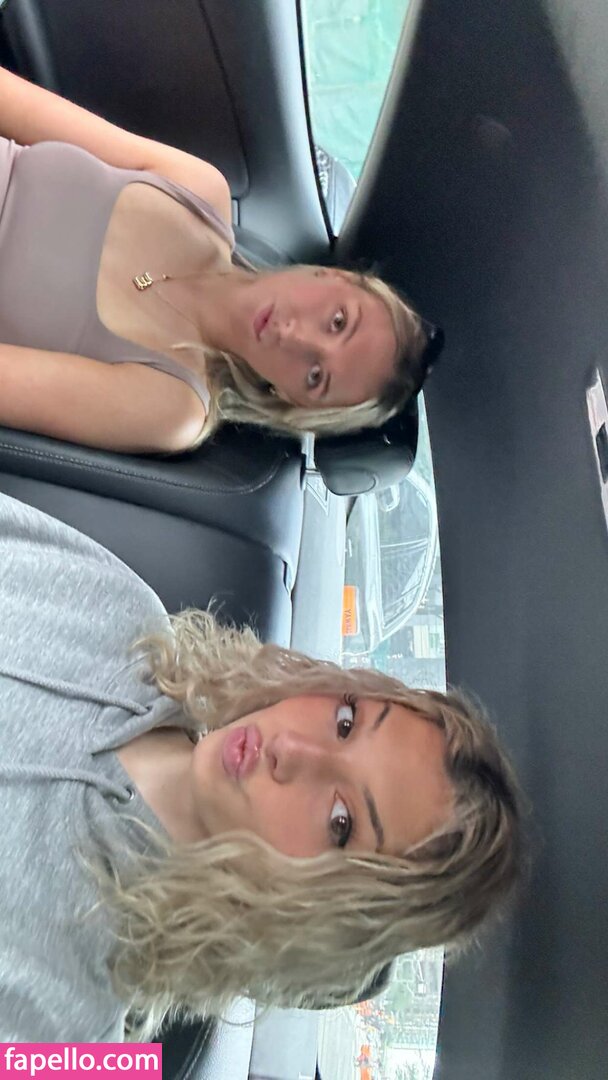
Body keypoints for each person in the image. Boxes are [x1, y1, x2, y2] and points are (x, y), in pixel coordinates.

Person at [0, 491, 523, 1042]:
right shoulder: (126, 614)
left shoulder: (81, 1039)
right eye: (346, 721)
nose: (293, 750)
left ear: (326, 914)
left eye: (341, 821)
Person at [0, 66, 443, 455]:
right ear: (333, 276)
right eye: (338, 321)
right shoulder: (199, 190)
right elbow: (17, 103)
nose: (294, 336)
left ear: (290, 399)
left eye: (314, 377)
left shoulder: (172, 407)